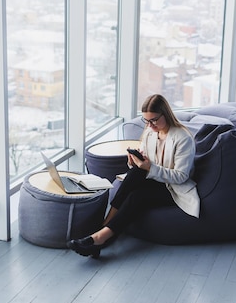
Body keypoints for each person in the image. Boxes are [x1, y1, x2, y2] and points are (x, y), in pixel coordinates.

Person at [67, 94, 199, 257]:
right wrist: (134, 162)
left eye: (154, 120)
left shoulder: (183, 138)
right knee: (134, 174)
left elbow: (181, 176)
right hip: (155, 179)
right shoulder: (151, 133)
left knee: (138, 196)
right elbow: (145, 164)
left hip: (174, 188)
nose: (150, 125)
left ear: (166, 114)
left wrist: (149, 167)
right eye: (146, 121)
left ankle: (101, 235)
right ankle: (102, 234)